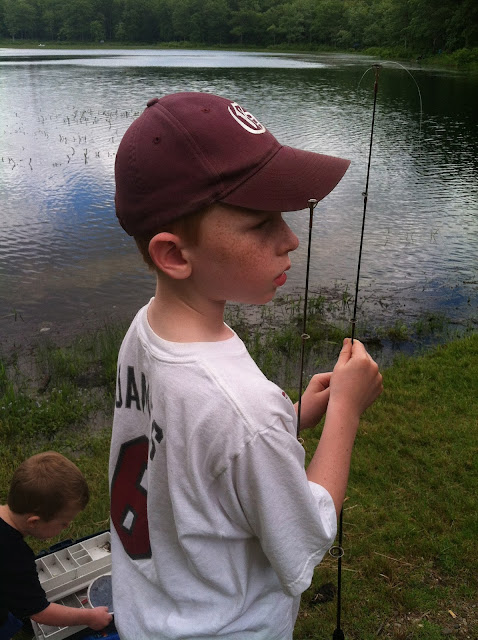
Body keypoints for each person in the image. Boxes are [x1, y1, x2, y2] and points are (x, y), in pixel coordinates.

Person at [109, 92, 383, 640]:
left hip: (149, 615)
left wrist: (292, 416)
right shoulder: (244, 411)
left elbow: (193, 447)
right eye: (261, 224)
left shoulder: (145, 329)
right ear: (174, 254)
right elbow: (305, 537)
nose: (291, 239)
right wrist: (345, 413)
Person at [0, 451, 113, 639]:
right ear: (34, 522)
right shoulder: (15, 555)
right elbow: (40, 612)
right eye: (63, 523)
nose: (67, 527)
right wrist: (89, 617)